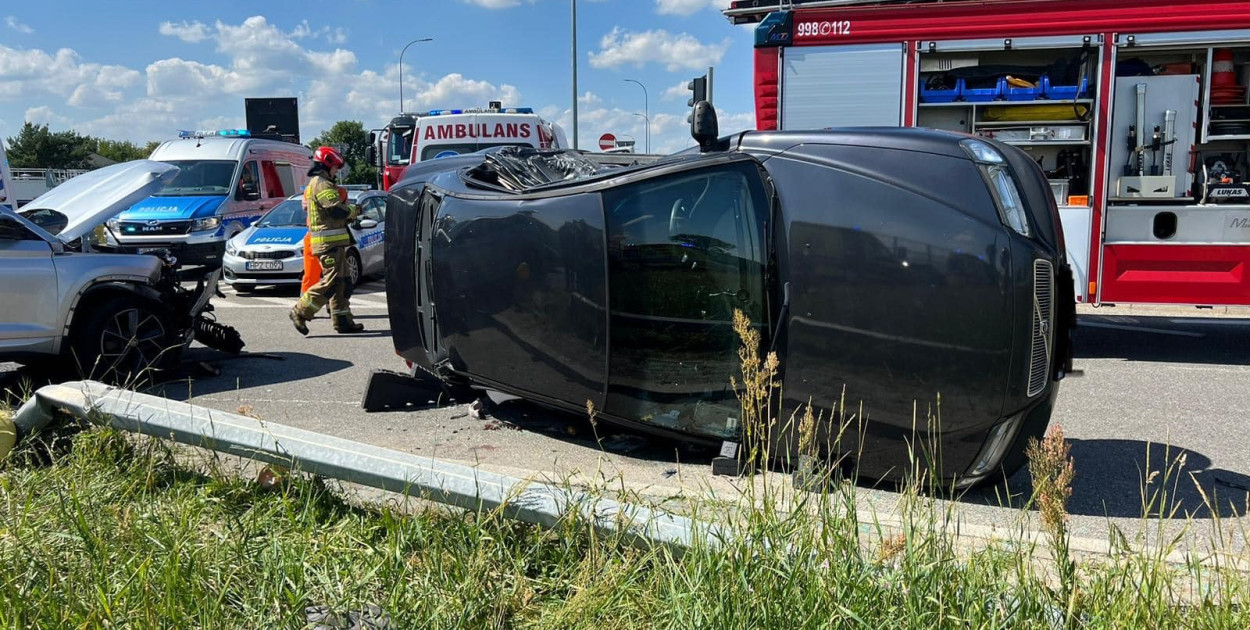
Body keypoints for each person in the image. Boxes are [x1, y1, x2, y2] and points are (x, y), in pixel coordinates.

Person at [289, 147, 365, 335]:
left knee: (344, 282)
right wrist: (355, 211)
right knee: (332, 282)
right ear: (326, 165)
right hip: (326, 244)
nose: (336, 172)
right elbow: (336, 210)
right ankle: (300, 311)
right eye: (335, 168)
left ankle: (342, 321)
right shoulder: (321, 183)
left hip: (335, 243)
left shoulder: (322, 183)